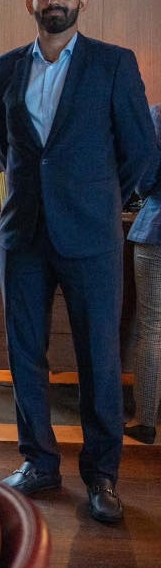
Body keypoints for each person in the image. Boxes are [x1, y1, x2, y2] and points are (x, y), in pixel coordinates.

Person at [0, 0, 154, 523]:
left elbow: (139, 151)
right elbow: (2, 147)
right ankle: (38, 462)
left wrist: (98, 197)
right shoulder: (4, 67)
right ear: (29, 2)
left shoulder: (113, 63)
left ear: (82, 1)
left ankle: (103, 475)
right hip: (23, 235)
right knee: (24, 355)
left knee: (98, 359)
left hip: (91, 237)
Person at [125, 104, 161, 445]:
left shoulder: (159, 114)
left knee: (152, 327)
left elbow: (145, 175)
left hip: (156, 230)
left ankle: (145, 420)